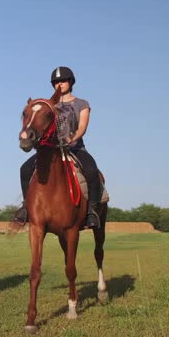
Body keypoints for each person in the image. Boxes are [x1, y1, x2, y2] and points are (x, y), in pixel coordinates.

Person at [12, 66, 101, 229]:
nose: (59, 84)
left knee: (91, 170)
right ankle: (26, 208)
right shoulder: (48, 105)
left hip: (74, 148)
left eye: (63, 80)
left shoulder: (82, 104)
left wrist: (72, 138)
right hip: (50, 150)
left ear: (71, 82)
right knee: (24, 169)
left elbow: (82, 127)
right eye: (56, 81)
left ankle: (91, 212)